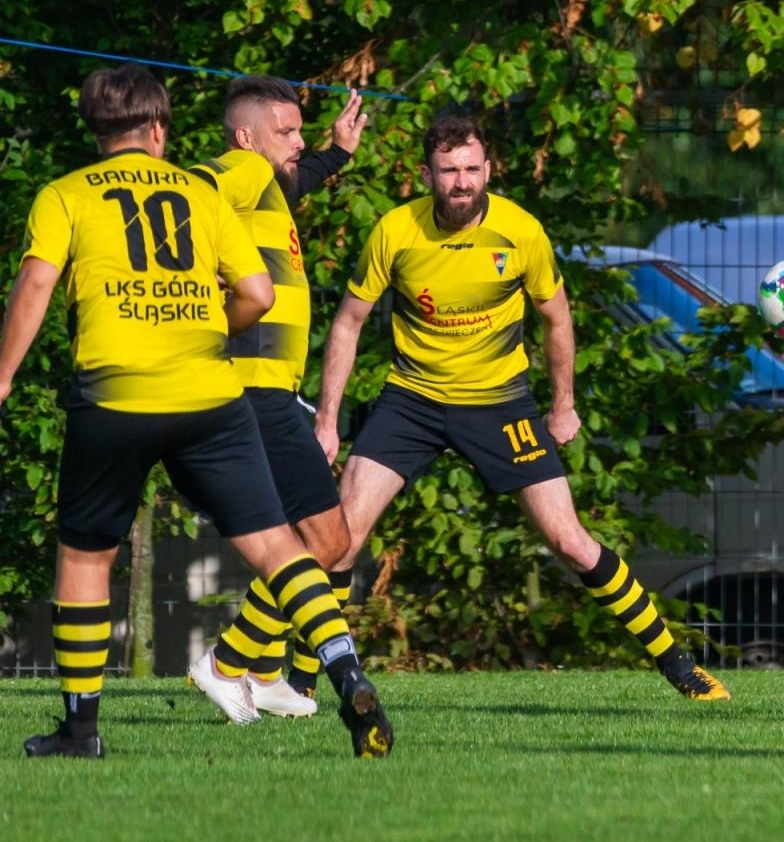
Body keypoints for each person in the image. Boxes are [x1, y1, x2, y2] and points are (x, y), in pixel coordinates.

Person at [0, 64, 391, 759]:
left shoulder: (65, 194)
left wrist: (3, 375)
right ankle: (347, 675)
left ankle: (81, 731)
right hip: (213, 395)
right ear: (158, 128)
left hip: (117, 392)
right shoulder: (198, 190)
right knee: (280, 548)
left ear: (95, 130)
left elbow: (35, 281)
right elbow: (256, 293)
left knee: (86, 556)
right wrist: (209, 331)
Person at [313, 115, 729, 701]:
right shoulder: (395, 230)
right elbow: (348, 323)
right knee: (339, 540)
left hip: (500, 402)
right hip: (412, 399)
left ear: (488, 170)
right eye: (448, 171)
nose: (461, 181)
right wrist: (327, 422)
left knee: (570, 541)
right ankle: (302, 683)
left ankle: (679, 665)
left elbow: (557, 319)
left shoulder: (520, 231)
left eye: (470, 169)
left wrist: (564, 406)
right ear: (427, 175)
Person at [186, 76, 367, 722]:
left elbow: (295, 179)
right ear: (245, 137)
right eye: (285, 132)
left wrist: (337, 154)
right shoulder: (239, 169)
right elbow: (190, 192)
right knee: (327, 542)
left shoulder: (267, 184)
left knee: (308, 542)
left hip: (270, 391)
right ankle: (228, 663)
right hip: (251, 387)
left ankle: (260, 673)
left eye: (300, 131)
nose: (298, 142)